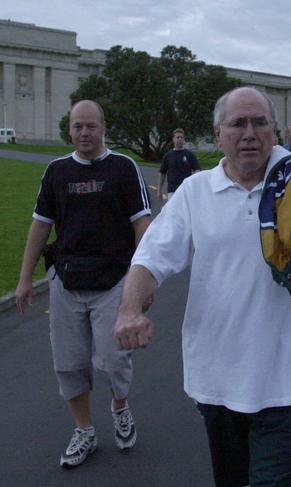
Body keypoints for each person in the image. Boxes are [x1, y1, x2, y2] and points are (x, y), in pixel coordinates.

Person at [113, 87, 291, 486]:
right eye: (237, 124)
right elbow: (150, 257)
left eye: (259, 123)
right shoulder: (194, 193)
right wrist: (129, 309)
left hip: (288, 384)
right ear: (218, 134)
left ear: (275, 130)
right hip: (216, 380)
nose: (249, 133)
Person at [15, 100, 151, 467]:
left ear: (103, 127)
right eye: (78, 127)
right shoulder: (56, 171)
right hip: (66, 281)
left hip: (113, 282)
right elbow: (41, 224)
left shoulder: (123, 167)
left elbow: (142, 224)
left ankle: (120, 406)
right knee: (68, 363)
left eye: (91, 126)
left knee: (113, 359)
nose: (84, 133)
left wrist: (143, 284)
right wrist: (26, 279)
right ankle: (84, 431)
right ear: (69, 129)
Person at [158, 128, 200, 202]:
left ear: (184, 139)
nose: (180, 139)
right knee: (173, 213)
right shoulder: (168, 156)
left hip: (186, 190)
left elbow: (197, 171)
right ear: (173, 139)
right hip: (172, 191)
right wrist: (159, 190)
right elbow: (162, 173)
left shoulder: (190, 155)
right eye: (177, 137)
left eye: (181, 137)